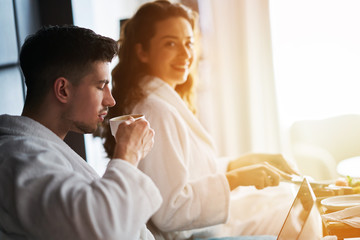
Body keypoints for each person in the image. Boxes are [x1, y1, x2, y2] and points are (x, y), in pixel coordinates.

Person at [100, 1, 321, 239]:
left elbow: (188, 171)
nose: (186, 54)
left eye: (189, 43)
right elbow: (170, 211)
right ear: (142, 51)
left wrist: (241, 163)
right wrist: (236, 178)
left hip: (203, 226)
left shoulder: (162, 101)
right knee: (289, 212)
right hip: (193, 234)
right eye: (171, 43)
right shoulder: (155, 110)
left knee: (285, 200)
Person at [0, 25, 162, 240]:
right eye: (100, 86)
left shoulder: (42, 150)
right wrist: (128, 153)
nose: (110, 100)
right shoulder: (19, 158)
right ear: (63, 90)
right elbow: (102, 230)